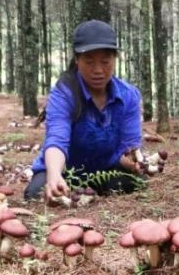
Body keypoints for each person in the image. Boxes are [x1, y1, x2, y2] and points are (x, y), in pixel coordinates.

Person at [25, 20, 144, 201]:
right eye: (89, 62)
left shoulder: (128, 96)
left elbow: (129, 145)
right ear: (77, 60)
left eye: (105, 61)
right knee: (36, 194)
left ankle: (89, 192)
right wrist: (54, 174)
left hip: (106, 170)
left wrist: (129, 161)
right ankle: (63, 184)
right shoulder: (64, 94)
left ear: (115, 59)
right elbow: (57, 139)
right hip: (66, 170)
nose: (98, 70)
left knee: (135, 184)